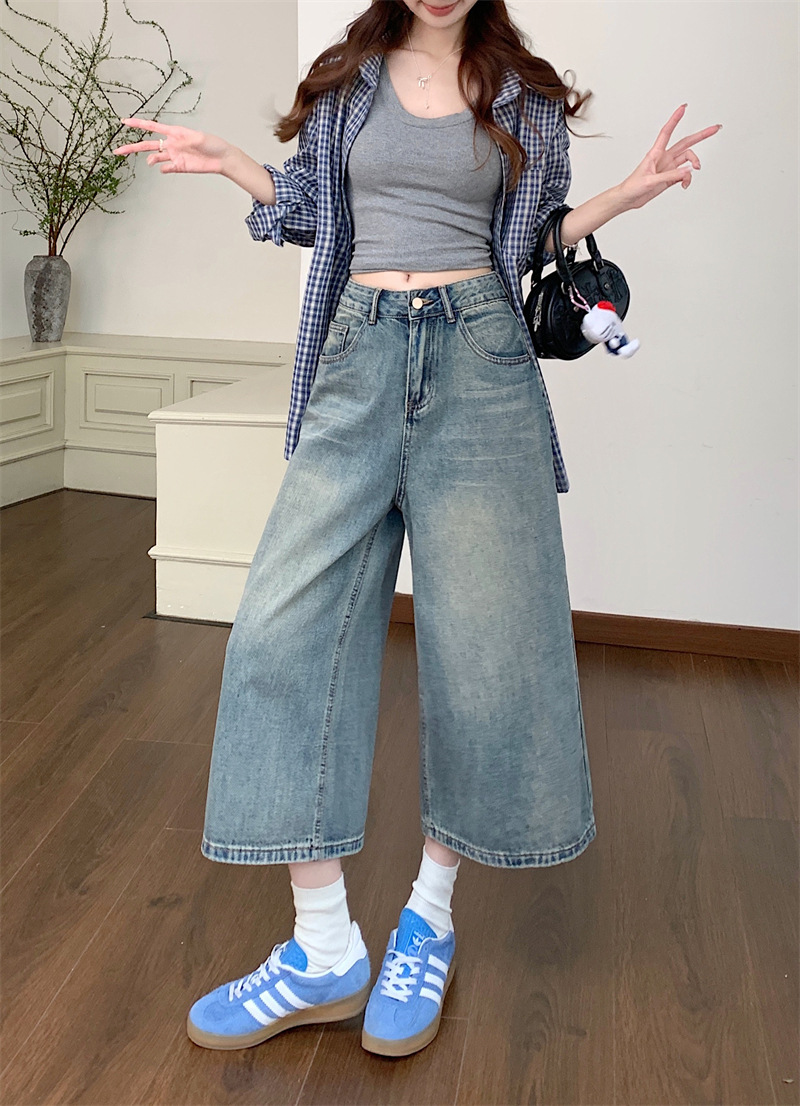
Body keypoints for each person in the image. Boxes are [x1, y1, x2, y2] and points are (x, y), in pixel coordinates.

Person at [114, 0, 721, 1060]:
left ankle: (426, 920)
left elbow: (530, 238)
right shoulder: (346, 76)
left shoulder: (522, 92)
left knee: (487, 651)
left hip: (480, 359)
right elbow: (312, 212)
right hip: (357, 351)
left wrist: (625, 195)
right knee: (276, 636)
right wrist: (233, 165)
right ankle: (321, 947)